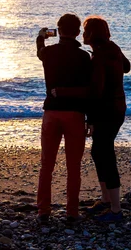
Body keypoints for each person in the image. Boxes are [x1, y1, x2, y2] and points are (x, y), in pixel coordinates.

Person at [68, 16, 131, 222]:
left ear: (92, 34)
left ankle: (115, 209)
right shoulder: (113, 48)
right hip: (118, 107)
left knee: (105, 154)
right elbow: (127, 66)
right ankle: (106, 200)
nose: (83, 35)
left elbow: (96, 93)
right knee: (99, 151)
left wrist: (90, 119)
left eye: (85, 32)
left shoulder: (100, 57)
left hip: (107, 111)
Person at [35, 13, 92, 224]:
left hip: (52, 112)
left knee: (46, 165)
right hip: (75, 114)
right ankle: (72, 211)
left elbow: (40, 50)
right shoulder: (84, 57)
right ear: (78, 32)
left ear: (58, 30)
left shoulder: (48, 53)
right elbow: (89, 90)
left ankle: (43, 210)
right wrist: (91, 118)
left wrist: (41, 37)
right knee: (73, 166)